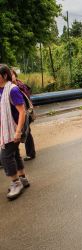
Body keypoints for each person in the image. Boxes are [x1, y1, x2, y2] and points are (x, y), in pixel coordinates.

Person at [0, 64, 30, 200]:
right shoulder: (1, 90)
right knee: (15, 153)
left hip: (14, 128)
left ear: (4, 75)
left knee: (5, 156)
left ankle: (16, 183)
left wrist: (18, 132)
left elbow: (22, 111)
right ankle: (22, 178)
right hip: (6, 128)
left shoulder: (12, 90)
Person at [11, 69, 36, 161]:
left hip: (25, 113)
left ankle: (30, 153)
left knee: (26, 133)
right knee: (25, 133)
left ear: (15, 76)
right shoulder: (10, 87)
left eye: (12, 74)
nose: (11, 76)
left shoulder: (19, 86)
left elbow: (26, 101)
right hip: (17, 114)